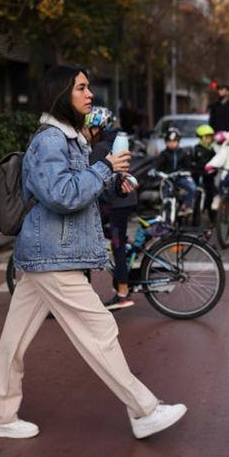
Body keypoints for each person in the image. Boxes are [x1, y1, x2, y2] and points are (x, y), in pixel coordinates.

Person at [0, 65, 186, 440]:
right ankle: (144, 410)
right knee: (99, 327)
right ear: (62, 94)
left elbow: (78, 188)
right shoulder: (50, 141)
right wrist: (104, 167)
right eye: (82, 88)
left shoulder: (72, 139)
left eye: (89, 87)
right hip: (53, 253)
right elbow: (61, 195)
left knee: (15, 339)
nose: (90, 95)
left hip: (48, 252)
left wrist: (112, 183)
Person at [84, 106, 138, 310]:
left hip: (116, 203)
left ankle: (123, 294)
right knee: (112, 237)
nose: (85, 131)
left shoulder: (100, 148)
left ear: (97, 128)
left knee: (117, 248)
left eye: (88, 127)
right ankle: (124, 239)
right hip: (123, 201)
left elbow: (89, 176)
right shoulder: (115, 142)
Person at [153, 127, 196, 216]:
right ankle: (165, 214)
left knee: (192, 187)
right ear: (166, 142)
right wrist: (155, 171)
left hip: (180, 178)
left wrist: (186, 171)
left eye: (174, 141)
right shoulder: (163, 154)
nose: (172, 144)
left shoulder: (183, 153)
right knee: (165, 197)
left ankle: (185, 206)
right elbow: (157, 166)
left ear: (178, 142)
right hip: (167, 178)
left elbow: (188, 166)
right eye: (169, 141)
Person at [191, 124, 218, 224]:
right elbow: (191, 163)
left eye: (210, 137)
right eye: (207, 137)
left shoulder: (211, 150)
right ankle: (195, 219)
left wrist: (214, 170)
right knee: (197, 197)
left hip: (209, 178)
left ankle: (212, 217)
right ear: (201, 138)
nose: (209, 140)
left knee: (210, 196)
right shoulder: (196, 149)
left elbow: (216, 162)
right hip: (198, 177)